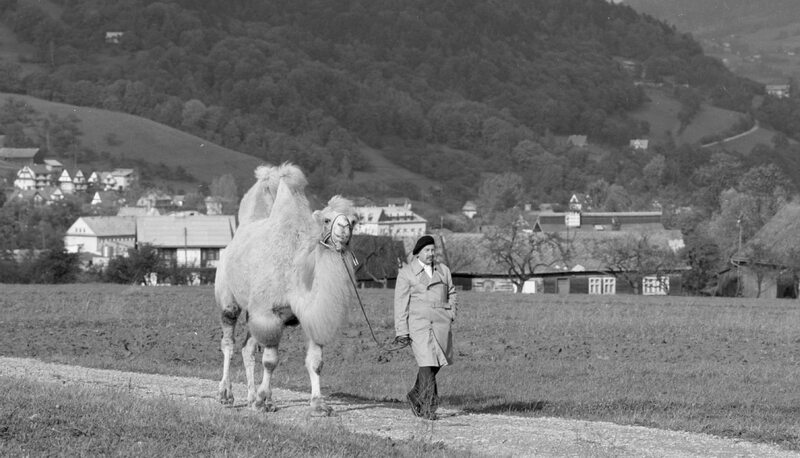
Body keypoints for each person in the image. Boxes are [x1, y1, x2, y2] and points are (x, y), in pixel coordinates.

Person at [393, 234, 457, 420]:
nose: (431, 254)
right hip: (419, 325)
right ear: (418, 253)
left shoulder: (443, 270)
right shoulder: (406, 273)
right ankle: (428, 407)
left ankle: (415, 395)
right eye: (427, 250)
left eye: (432, 250)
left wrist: (451, 313)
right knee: (427, 364)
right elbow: (400, 304)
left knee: (436, 364)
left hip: (441, 324)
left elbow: (452, 292)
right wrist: (401, 331)